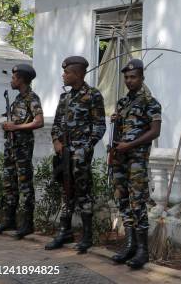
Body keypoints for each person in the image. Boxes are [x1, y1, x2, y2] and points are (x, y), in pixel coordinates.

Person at [46, 56, 106, 253]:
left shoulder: (93, 95)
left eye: (67, 72)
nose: (63, 75)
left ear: (78, 74)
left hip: (80, 155)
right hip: (64, 153)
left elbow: (99, 126)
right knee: (66, 191)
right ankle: (65, 231)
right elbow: (56, 124)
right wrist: (56, 141)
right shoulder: (65, 98)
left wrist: (86, 147)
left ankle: (87, 236)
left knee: (83, 192)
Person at [110, 58, 161, 269]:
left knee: (138, 203)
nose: (129, 81)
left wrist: (130, 145)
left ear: (141, 78)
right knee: (123, 201)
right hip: (120, 159)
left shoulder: (151, 102)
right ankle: (129, 245)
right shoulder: (122, 103)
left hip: (137, 161)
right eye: (127, 78)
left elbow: (155, 131)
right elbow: (119, 133)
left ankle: (142, 251)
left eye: (133, 77)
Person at [0, 64, 44, 239]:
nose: (11, 80)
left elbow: (39, 122)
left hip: (22, 150)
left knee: (24, 185)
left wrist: (16, 126)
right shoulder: (18, 99)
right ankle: (9, 220)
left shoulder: (31, 98)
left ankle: (27, 224)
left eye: (13, 78)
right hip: (10, 148)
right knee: (9, 184)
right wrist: (7, 123)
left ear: (21, 79)